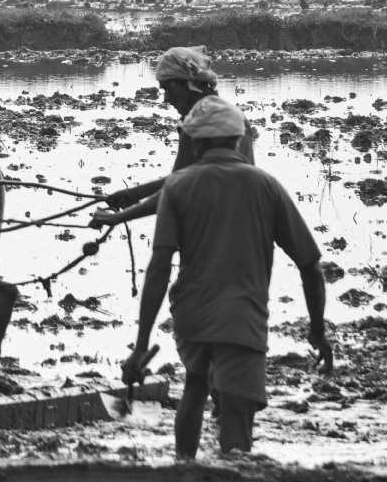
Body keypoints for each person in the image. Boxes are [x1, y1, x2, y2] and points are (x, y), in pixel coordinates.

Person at [122, 95, 333, 460]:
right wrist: (317, 328)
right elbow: (310, 265)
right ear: (239, 140)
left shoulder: (178, 186)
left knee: (195, 385)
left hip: (191, 315)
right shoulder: (267, 186)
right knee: (236, 418)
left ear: (197, 143)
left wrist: (141, 345)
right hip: (242, 318)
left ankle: (183, 465)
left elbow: (159, 268)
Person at [91, 45, 255, 230]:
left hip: (210, 232)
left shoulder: (198, 123)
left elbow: (179, 188)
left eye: (167, 89)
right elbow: (186, 178)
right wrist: (135, 194)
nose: (166, 98)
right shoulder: (233, 116)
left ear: (184, 83)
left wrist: (119, 217)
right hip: (244, 226)